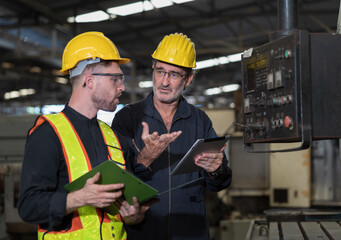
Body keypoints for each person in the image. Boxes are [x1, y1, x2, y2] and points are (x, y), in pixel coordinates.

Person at [18, 31, 150, 240]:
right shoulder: (48, 133)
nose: (122, 87)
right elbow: (28, 207)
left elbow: (126, 208)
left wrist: (133, 217)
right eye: (115, 79)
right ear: (89, 81)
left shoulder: (114, 137)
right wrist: (79, 198)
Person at [111, 32, 232, 240]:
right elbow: (115, 181)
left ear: (189, 79)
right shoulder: (128, 118)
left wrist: (216, 170)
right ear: (153, 70)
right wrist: (144, 158)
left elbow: (220, 183)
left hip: (191, 231)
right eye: (160, 71)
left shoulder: (199, 120)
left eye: (174, 74)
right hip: (143, 230)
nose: (164, 82)